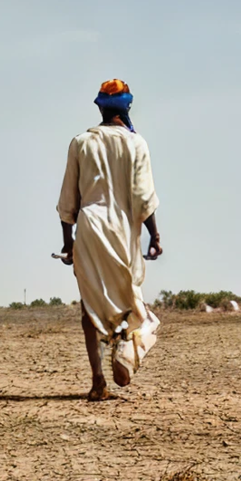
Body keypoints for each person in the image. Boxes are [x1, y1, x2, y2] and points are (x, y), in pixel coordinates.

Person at [57, 79, 163, 400]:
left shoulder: (81, 143)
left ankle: (97, 381)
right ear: (127, 107)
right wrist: (155, 235)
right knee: (132, 302)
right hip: (122, 231)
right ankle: (127, 354)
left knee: (90, 307)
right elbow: (144, 199)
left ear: (100, 106)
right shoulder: (136, 144)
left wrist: (68, 241)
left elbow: (68, 199)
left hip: (89, 228)